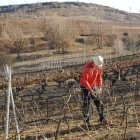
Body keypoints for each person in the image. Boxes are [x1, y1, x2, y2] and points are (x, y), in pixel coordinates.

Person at [79, 56, 105, 124]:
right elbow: (85, 81)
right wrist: (91, 91)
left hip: (93, 85)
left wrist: (100, 87)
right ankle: (86, 121)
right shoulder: (86, 68)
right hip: (84, 87)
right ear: (93, 62)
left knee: (98, 101)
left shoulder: (98, 67)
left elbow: (99, 77)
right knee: (86, 103)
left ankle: (102, 117)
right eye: (97, 65)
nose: (98, 67)